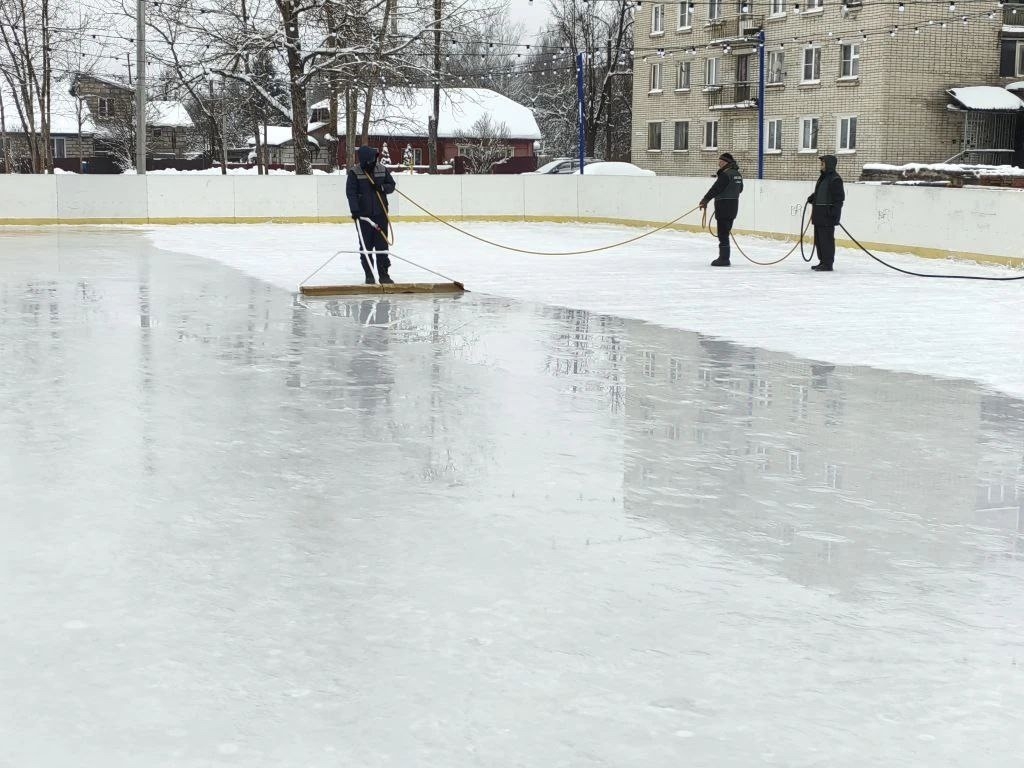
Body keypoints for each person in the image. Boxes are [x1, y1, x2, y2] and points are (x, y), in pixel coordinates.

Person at [347, 145, 397, 284]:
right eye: (370, 159)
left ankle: (384, 274)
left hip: (381, 214)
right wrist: (354, 210)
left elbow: (391, 185)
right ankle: (369, 274)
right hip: (364, 217)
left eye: (374, 159)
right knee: (366, 247)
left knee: (382, 246)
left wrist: (381, 187)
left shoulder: (381, 169)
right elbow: (351, 193)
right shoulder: (354, 172)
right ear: (364, 160)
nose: (373, 161)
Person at [699, 152, 744, 267]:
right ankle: (724, 257)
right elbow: (740, 189)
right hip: (733, 206)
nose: (718, 163)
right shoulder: (737, 174)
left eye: (720, 161)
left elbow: (715, 189)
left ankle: (724, 258)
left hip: (723, 206)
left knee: (722, 234)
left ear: (725, 162)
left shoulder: (725, 174)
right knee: (725, 232)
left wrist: (705, 200)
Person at [807, 154, 845, 272]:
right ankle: (822, 261)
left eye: (823, 163)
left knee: (826, 240)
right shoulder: (823, 178)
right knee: (819, 240)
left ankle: (828, 263)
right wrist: (813, 197)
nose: (821, 165)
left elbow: (839, 198)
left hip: (827, 216)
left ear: (828, 164)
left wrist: (834, 212)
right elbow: (821, 192)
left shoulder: (835, 179)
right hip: (819, 214)